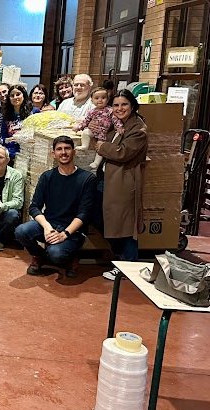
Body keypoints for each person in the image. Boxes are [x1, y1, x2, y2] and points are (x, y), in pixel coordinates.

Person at [15, 136, 97, 278]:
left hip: (73, 231)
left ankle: (71, 256)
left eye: (67, 148)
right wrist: (47, 227)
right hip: (50, 225)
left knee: (56, 254)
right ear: (53, 154)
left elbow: (84, 213)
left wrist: (65, 234)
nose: (63, 152)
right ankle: (39, 256)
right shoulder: (47, 177)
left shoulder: (87, 179)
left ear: (74, 152)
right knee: (21, 231)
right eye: (59, 149)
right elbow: (34, 207)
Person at [94, 90, 148, 280]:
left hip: (124, 181)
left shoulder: (138, 129)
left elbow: (122, 153)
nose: (119, 109)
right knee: (101, 217)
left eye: (124, 104)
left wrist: (101, 147)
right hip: (107, 179)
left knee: (124, 224)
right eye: (116, 105)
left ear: (132, 106)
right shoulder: (117, 124)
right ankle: (119, 257)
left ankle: (128, 263)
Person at [74, 87, 124, 169]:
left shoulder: (110, 111)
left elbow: (116, 120)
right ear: (92, 100)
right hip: (93, 131)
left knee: (100, 148)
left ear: (107, 100)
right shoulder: (91, 111)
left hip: (103, 134)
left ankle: (96, 162)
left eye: (103, 98)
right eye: (97, 98)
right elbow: (86, 121)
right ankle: (85, 145)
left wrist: (119, 127)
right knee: (86, 132)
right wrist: (79, 127)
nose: (100, 100)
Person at [0, 84, 31, 167]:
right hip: (10, 155)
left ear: (24, 95)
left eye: (18, 94)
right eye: (12, 95)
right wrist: (9, 140)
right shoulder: (6, 116)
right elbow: (3, 137)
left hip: (27, 155)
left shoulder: (33, 112)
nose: (15, 97)